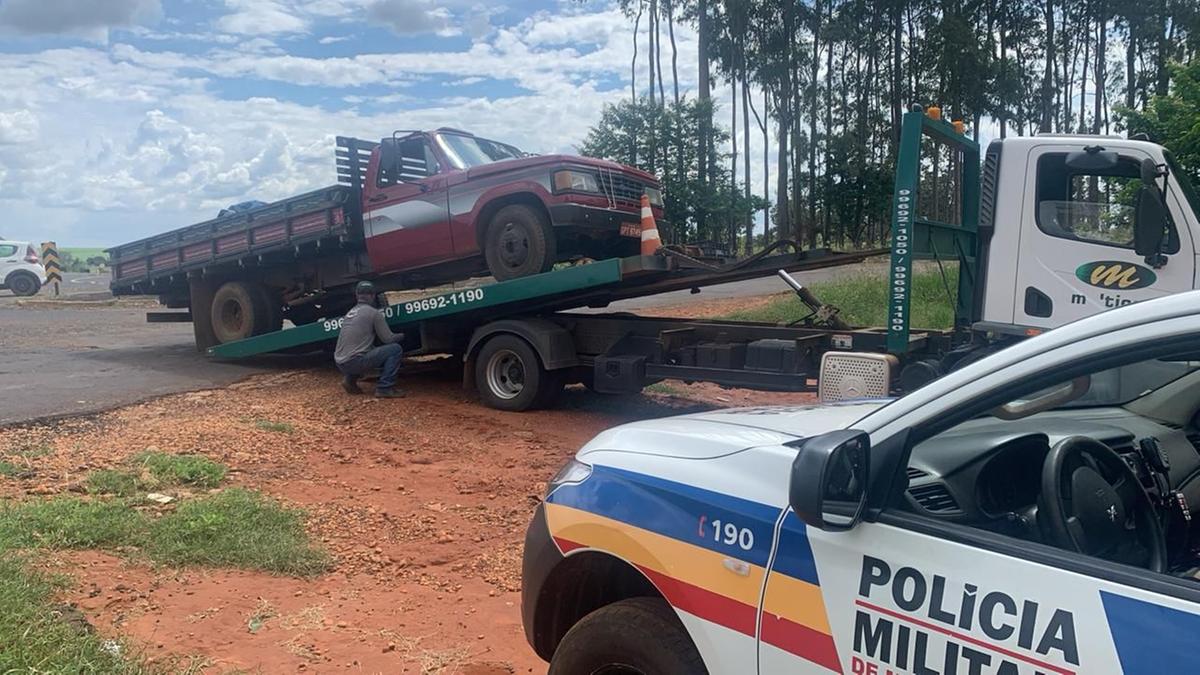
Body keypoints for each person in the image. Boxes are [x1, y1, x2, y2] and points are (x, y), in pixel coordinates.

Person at [334, 281, 405, 398]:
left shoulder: (350, 313)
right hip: (355, 362)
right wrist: (403, 335)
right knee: (395, 349)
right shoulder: (373, 313)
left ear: (357, 295)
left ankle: (349, 381)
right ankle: (384, 388)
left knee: (364, 349)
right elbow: (388, 339)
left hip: (340, 362)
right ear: (373, 296)